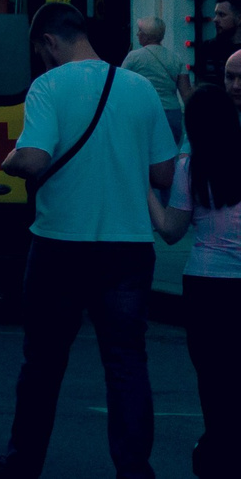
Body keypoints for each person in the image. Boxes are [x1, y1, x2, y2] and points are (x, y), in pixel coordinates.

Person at [0, 2, 179, 479]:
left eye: (41, 52)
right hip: (127, 248)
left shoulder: (47, 86)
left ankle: (22, 465)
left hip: (60, 245)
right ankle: (134, 471)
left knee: (43, 363)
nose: (42, 62)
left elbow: (34, 158)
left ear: (49, 42)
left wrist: (8, 161)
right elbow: (163, 173)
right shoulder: (139, 88)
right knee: (127, 363)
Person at [151, 47, 241, 477]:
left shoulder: (191, 167)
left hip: (205, 282)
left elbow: (171, 229)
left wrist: (147, 194)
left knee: (212, 375)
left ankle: (218, 448)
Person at [122, 17, 189, 146]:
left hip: (144, 111)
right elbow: (186, 94)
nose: (137, 34)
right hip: (172, 113)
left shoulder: (133, 57)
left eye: (139, 31)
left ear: (146, 36)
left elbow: (121, 84)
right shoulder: (176, 58)